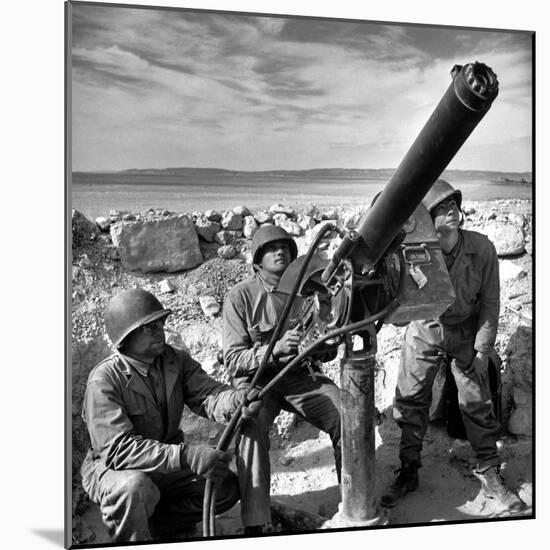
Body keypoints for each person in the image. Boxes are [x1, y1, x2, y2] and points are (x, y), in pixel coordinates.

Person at [380, 179, 525, 513]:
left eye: (455, 206)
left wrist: (482, 349)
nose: (453, 213)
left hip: (465, 331)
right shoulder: (415, 254)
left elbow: (490, 302)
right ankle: (408, 470)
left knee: (476, 401)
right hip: (425, 329)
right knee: (410, 398)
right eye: (443, 209)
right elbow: (401, 307)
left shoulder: (482, 248)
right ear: (428, 219)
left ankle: (488, 469)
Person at [81, 288, 260, 542]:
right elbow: (119, 450)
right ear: (125, 338)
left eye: (159, 324)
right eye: (147, 327)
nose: (158, 331)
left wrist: (236, 399)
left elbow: (208, 395)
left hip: (164, 463)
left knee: (226, 486)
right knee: (134, 488)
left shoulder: (174, 360)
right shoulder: (104, 380)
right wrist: (185, 455)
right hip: (115, 469)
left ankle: (158, 525)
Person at [222, 225, 342, 534]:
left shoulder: (308, 291)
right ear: (258, 259)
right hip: (258, 382)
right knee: (249, 426)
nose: (281, 252)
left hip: (301, 378)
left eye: (286, 247)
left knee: (347, 414)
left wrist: (325, 346)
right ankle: (256, 522)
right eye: (271, 248)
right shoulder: (241, 296)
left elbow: (323, 350)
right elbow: (234, 359)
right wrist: (274, 349)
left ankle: (353, 501)